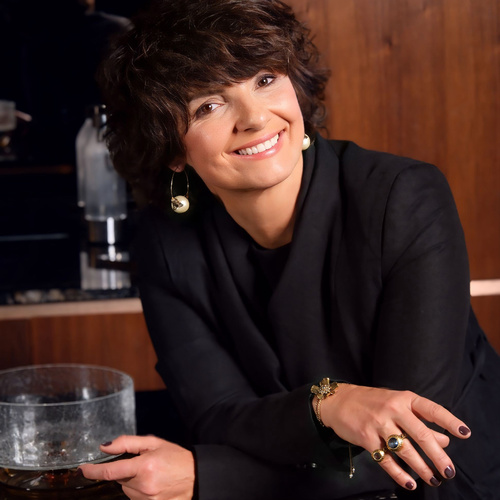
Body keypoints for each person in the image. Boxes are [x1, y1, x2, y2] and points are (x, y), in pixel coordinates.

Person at [79, 0, 500, 499]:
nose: (256, 117)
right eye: (208, 105)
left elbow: (407, 442)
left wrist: (206, 476)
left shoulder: (405, 197)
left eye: (264, 79)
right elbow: (218, 417)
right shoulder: (164, 242)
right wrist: (328, 405)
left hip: (446, 485)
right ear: (171, 149)